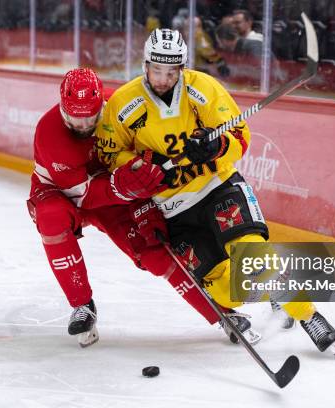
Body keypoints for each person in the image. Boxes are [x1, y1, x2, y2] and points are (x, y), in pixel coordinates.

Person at [96, 28, 335, 354]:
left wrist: (215, 145)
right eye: (157, 69)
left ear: (181, 68)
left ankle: (307, 313)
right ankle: (275, 291)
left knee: (254, 260)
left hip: (218, 188)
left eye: (172, 71)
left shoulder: (203, 89)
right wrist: (140, 165)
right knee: (225, 290)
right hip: (175, 212)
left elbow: (240, 137)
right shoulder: (123, 104)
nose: (163, 78)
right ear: (145, 64)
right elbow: (108, 154)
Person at [28, 68, 222, 348]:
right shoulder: (50, 132)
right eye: (73, 118)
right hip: (69, 193)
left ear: (102, 108)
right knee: (51, 216)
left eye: (90, 119)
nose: (82, 126)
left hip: (117, 190)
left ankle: (223, 313)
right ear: (62, 106)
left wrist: (145, 200)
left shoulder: (126, 108)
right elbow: (82, 195)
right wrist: (125, 187)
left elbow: (145, 162)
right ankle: (81, 305)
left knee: (156, 252)